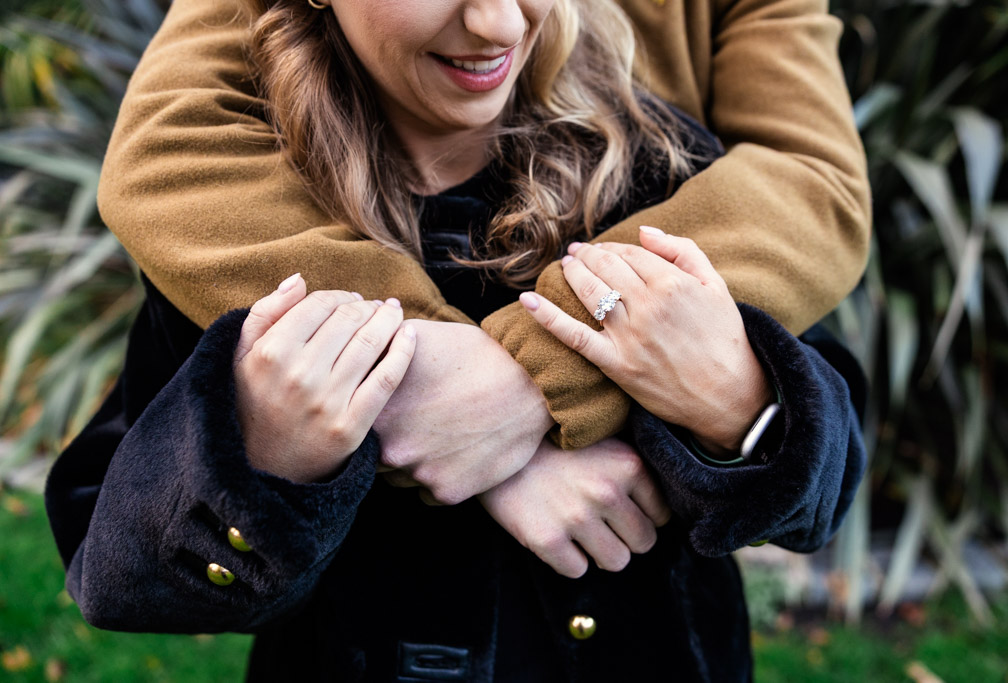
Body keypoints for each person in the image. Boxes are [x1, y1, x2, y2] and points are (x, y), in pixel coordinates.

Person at [46, 0, 867, 681]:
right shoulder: (259, 223)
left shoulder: (661, 171)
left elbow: (819, 493)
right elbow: (121, 572)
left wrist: (735, 406)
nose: (500, 23)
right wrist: (271, 457)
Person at [93, 0, 872, 452]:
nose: (497, 23)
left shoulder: (665, 160)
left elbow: (814, 183)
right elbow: (173, 147)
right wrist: (416, 374)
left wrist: (529, 380)